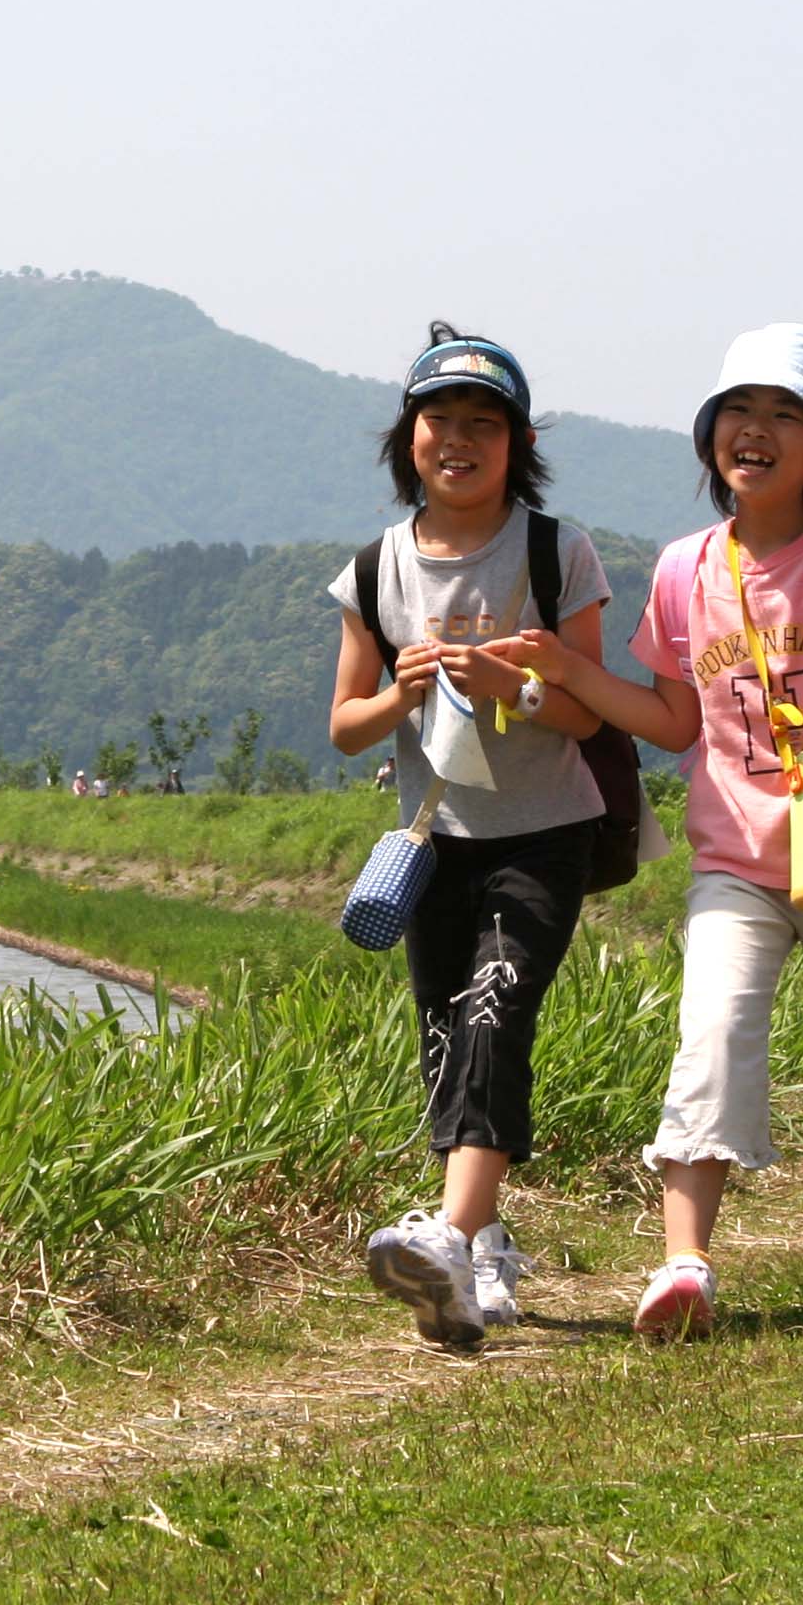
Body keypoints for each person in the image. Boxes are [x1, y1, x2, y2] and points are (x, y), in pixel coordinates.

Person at [512, 323, 803, 1341]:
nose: (754, 431)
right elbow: (676, 720)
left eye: (784, 415)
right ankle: (685, 1263)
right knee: (710, 1034)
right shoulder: (683, 569)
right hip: (736, 858)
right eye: (737, 413)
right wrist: (575, 674)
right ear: (713, 435)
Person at [327, 324, 614, 1350]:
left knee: (497, 1008)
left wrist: (515, 684)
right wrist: (401, 686)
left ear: (516, 439)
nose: (458, 439)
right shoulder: (374, 570)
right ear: (410, 438)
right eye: (439, 421)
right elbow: (344, 723)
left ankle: (447, 1232)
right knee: (445, 1033)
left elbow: (585, 712)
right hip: (434, 840)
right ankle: (481, 1242)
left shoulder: (553, 549)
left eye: (481, 424)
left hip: (545, 832)